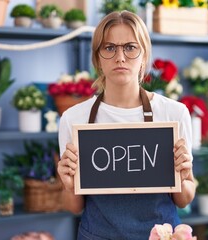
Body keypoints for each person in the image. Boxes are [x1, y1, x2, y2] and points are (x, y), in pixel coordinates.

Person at [57, 10, 195, 240]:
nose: (120, 57)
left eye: (130, 47)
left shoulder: (174, 113)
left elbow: (185, 199)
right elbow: (74, 207)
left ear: (143, 56)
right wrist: (69, 184)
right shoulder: (73, 119)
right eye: (109, 48)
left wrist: (184, 173)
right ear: (98, 58)